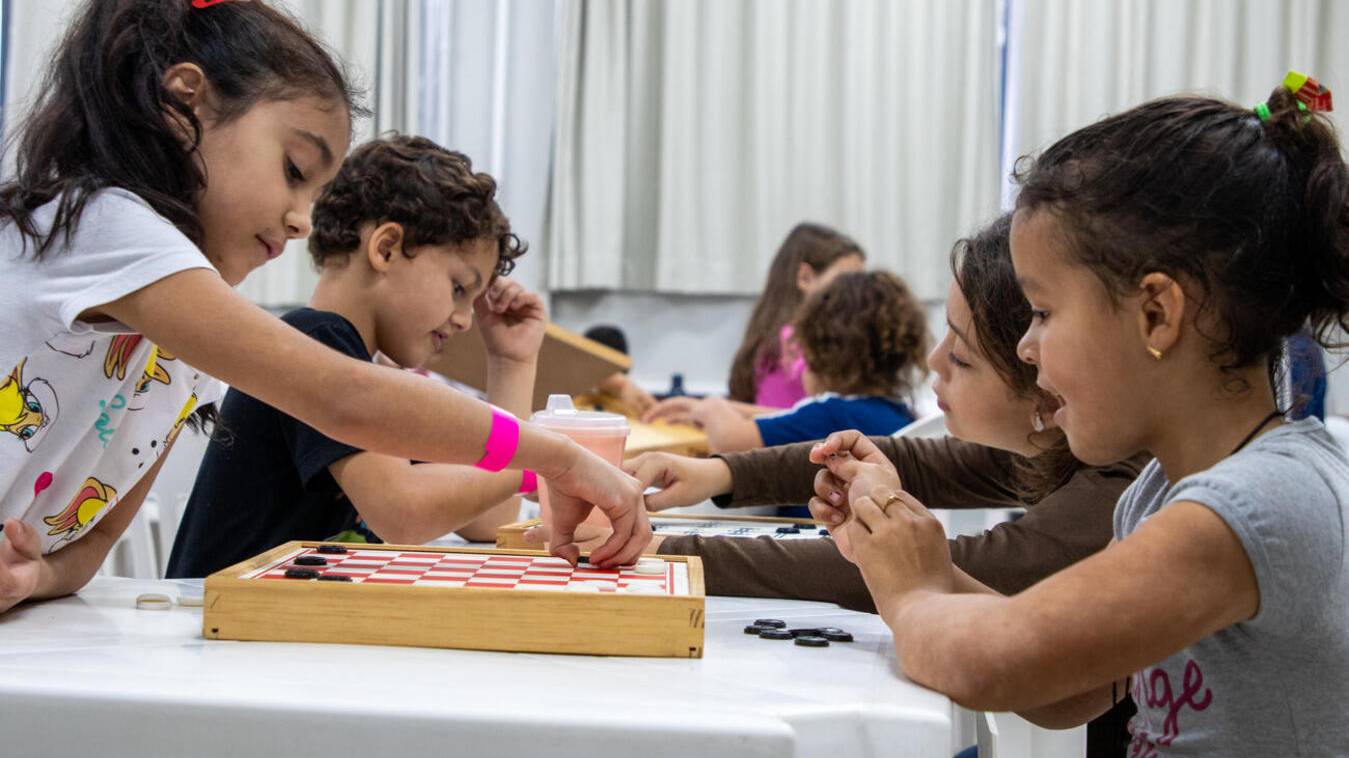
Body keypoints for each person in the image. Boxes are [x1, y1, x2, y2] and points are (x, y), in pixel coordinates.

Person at [0, 0, 646, 617]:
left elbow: (87, 548)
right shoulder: (101, 224)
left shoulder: (176, 353)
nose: (301, 219)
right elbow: (349, 401)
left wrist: (35, 575)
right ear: (180, 104)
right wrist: (555, 456)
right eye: (293, 168)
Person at [823, 81, 1349, 754]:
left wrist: (909, 582)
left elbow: (983, 663)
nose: (1023, 345)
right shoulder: (1156, 492)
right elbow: (1069, 691)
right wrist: (904, 559)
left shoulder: (1258, 507)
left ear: (1155, 314)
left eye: (1042, 312)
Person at [623, 213, 1144, 755]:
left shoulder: (1125, 490)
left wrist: (666, 551)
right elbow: (923, 464)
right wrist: (719, 472)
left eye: (962, 355)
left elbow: (969, 583)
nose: (934, 360)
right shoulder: (1093, 461)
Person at [167, 136, 541, 577]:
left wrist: (512, 362)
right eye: (459, 288)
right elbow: (402, 511)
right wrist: (541, 465)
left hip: (269, 628)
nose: (463, 320)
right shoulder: (319, 343)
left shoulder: (368, 370)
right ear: (385, 249)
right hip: (219, 624)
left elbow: (488, 520)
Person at [646, 270, 927, 457]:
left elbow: (730, 440)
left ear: (820, 352)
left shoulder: (827, 414)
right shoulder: (895, 412)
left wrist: (711, 407)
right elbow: (786, 417)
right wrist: (732, 408)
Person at [644, 222, 865, 425]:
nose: (857, 291)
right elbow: (808, 420)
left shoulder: (771, 334)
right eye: (846, 280)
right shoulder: (794, 341)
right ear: (805, 277)